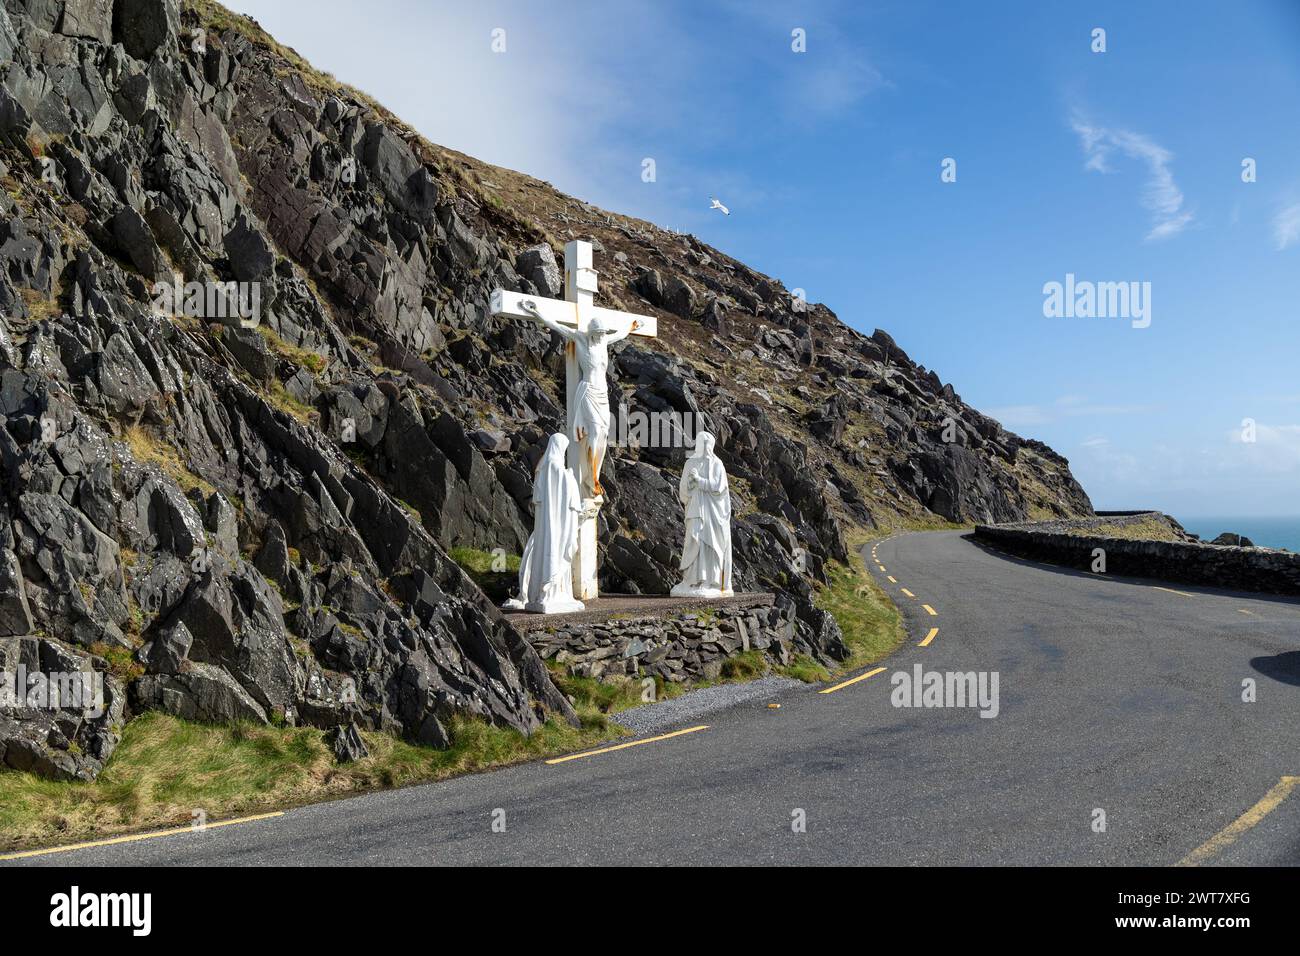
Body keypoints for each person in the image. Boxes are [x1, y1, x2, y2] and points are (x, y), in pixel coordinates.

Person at [503, 434, 585, 613]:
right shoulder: (555, 467)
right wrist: (570, 476)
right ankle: (551, 593)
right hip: (556, 523)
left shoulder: (544, 468)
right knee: (556, 553)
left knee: (544, 553)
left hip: (546, 524)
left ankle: (544, 594)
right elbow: (567, 490)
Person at [672, 431, 734, 598]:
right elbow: (684, 490)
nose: (704, 447)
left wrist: (699, 480)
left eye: (707, 444)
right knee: (694, 539)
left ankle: (709, 582)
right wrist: (692, 483)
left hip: (713, 513)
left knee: (710, 544)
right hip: (695, 509)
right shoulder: (690, 463)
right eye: (701, 443)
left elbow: (719, 487)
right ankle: (691, 581)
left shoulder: (717, 463)